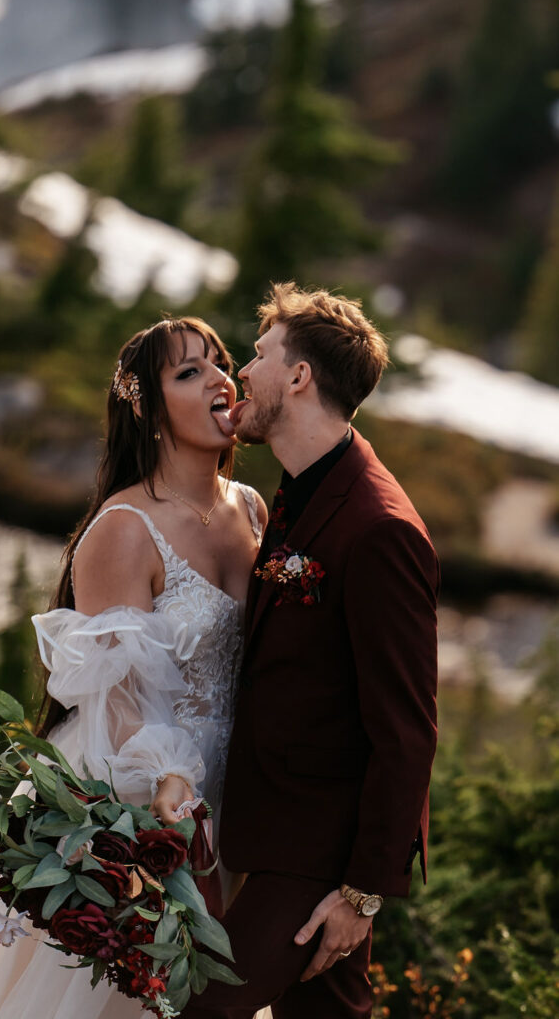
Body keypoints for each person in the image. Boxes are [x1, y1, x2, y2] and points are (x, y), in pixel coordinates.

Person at [0, 317, 267, 1019]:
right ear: (147, 406)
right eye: (188, 372)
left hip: (232, 804)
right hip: (135, 794)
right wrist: (171, 778)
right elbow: (114, 703)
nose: (219, 379)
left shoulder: (251, 509)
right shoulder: (122, 530)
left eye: (220, 362)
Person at [181, 283, 440, 1019]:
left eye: (258, 355)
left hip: (318, 861)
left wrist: (359, 895)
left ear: (298, 377)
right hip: (275, 834)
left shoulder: (378, 528)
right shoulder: (299, 491)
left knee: (202, 1011)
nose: (242, 374)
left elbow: (406, 730)